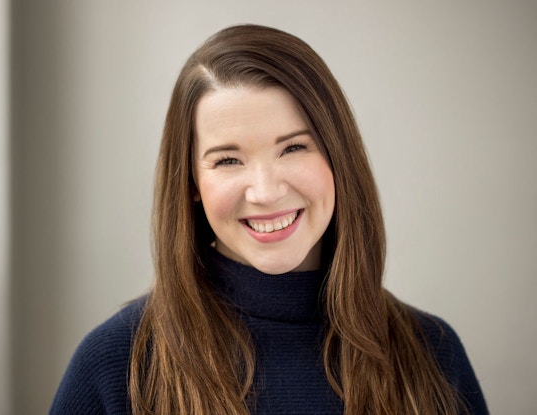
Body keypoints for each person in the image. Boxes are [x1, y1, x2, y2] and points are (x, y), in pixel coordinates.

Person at [50, 24, 488, 415]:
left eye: (293, 148)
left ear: (339, 158)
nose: (265, 191)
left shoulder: (432, 352)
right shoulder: (115, 363)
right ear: (192, 186)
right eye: (227, 160)